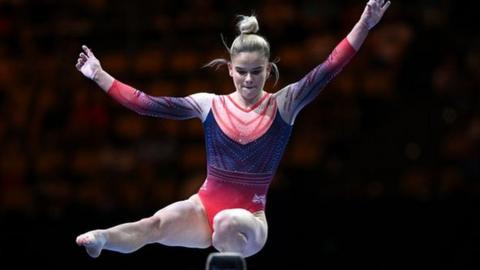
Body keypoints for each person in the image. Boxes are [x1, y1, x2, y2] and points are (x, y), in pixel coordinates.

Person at [75, 0, 390, 259]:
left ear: (268, 69)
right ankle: (103, 238)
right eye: (241, 72)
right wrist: (100, 75)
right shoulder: (208, 104)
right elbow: (147, 104)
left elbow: (329, 68)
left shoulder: (284, 103)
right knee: (154, 224)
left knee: (227, 223)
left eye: (256, 72)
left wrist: (363, 25)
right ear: (229, 70)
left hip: (250, 221)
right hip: (203, 209)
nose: (249, 80)